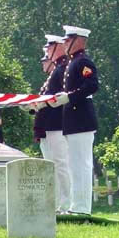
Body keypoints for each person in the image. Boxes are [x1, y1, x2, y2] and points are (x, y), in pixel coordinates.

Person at [48, 25, 98, 216]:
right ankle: (76, 205)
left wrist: (70, 97)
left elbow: (92, 85)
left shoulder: (83, 62)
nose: (65, 43)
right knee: (73, 165)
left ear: (78, 40)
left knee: (81, 164)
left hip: (82, 118)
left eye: (68, 40)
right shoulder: (72, 63)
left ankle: (82, 207)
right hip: (73, 120)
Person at [30, 35, 71, 214]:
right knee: (52, 165)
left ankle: (66, 203)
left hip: (57, 123)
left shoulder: (62, 68)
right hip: (48, 124)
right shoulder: (57, 70)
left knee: (61, 164)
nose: (47, 51)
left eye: (50, 47)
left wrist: (40, 103)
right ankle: (56, 202)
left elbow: (56, 96)